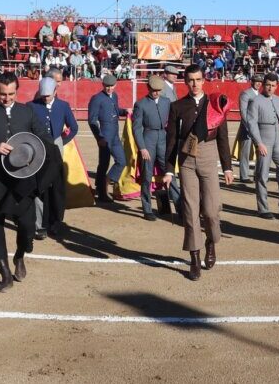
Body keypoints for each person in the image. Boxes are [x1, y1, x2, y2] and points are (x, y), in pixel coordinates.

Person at [0, 72, 53, 292]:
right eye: (3, 94)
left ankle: (19, 255)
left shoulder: (27, 112)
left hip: (23, 177)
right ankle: (5, 273)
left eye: (11, 94)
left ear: (17, 91)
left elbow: (44, 138)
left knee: (27, 224)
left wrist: (38, 151)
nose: (7, 98)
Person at [164, 64, 233, 281]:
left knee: (211, 210)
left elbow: (223, 137)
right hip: (186, 160)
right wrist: (169, 170)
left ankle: (211, 242)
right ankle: (194, 258)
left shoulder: (214, 104)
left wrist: (228, 166)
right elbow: (172, 140)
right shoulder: (177, 106)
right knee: (190, 210)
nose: (194, 84)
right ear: (185, 82)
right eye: (191, 80)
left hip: (208, 156)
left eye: (198, 79)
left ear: (204, 80)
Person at [29, 77, 77, 240]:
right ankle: (39, 225)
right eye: (43, 96)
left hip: (56, 147)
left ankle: (55, 222)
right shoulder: (31, 106)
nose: (45, 98)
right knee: (39, 185)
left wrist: (61, 142)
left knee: (56, 186)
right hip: (38, 147)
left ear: (55, 92)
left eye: (48, 96)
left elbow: (74, 127)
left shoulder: (63, 106)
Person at [244, 72, 279, 220]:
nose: (270, 88)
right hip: (264, 140)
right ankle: (263, 209)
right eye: (268, 85)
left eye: (273, 85)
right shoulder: (255, 101)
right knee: (262, 176)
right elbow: (251, 124)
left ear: (277, 86)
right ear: (263, 85)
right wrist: (259, 143)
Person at [131, 75, 173, 221]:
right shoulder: (140, 104)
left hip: (163, 138)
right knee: (147, 176)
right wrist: (142, 147)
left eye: (158, 90)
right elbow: (137, 128)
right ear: (148, 88)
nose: (156, 92)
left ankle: (180, 206)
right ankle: (147, 209)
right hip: (148, 139)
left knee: (169, 172)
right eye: (154, 90)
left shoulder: (166, 102)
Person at [87, 73, 127, 202]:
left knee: (122, 161)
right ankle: (102, 191)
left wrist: (125, 111)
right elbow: (92, 120)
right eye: (107, 86)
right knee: (104, 163)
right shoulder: (96, 98)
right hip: (104, 134)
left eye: (111, 86)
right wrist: (99, 137)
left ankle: (104, 184)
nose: (109, 88)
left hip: (115, 134)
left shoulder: (114, 96)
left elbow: (116, 110)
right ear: (103, 85)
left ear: (115, 85)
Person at [234, 74, 262, 183]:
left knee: (260, 151)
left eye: (260, 82)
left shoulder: (260, 94)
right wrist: (249, 127)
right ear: (252, 82)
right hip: (247, 128)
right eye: (256, 81)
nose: (258, 83)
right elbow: (243, 112)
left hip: (259, 127)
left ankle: (257, 174)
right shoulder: (246, 94)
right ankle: (244, 176)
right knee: (245, 152)